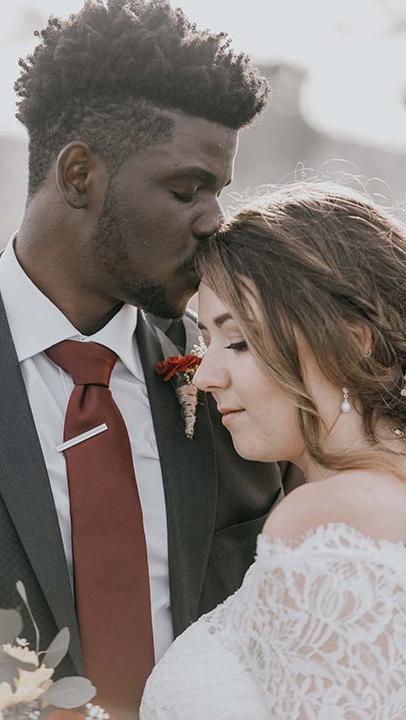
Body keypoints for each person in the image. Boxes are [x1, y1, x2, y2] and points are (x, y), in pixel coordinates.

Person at [0, 2, 299, 718]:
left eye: (220, 191)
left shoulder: (242, 378)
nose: (215, 220)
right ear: (78, 175)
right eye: (187, 190)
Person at [140, 182, 406, 719]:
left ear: (352, 343)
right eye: (204, 343)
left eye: (237, 342)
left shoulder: (330, 518)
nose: (206, 377)